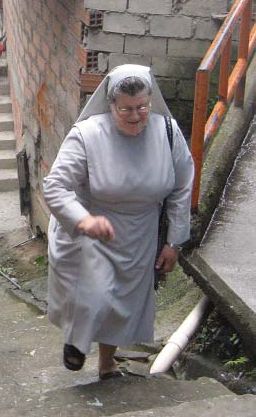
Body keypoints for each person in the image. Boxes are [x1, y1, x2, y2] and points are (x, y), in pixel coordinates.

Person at [43, 64, 194, 380]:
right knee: (93, 294)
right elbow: (55, 185)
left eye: (142, 107)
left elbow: (182, 187)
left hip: (140, 232)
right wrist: (83, 220)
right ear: (110, 105)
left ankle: (107, 363)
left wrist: (173, 242)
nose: (136, 116)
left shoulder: (167, 132)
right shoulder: (86, 135)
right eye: (126, 109)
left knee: (123, 301)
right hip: (90, 228)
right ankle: (77, 339)